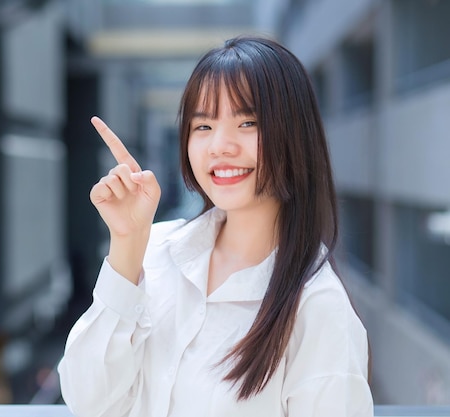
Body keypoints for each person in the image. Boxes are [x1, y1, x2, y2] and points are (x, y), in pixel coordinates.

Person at [58, 35, 373, 417]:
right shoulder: (154, 250)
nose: (220, 145)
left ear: (294, 136)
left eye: (248, 122)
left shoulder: (319, 308)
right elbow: (87, 402)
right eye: (203, 126)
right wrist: (126, 244)